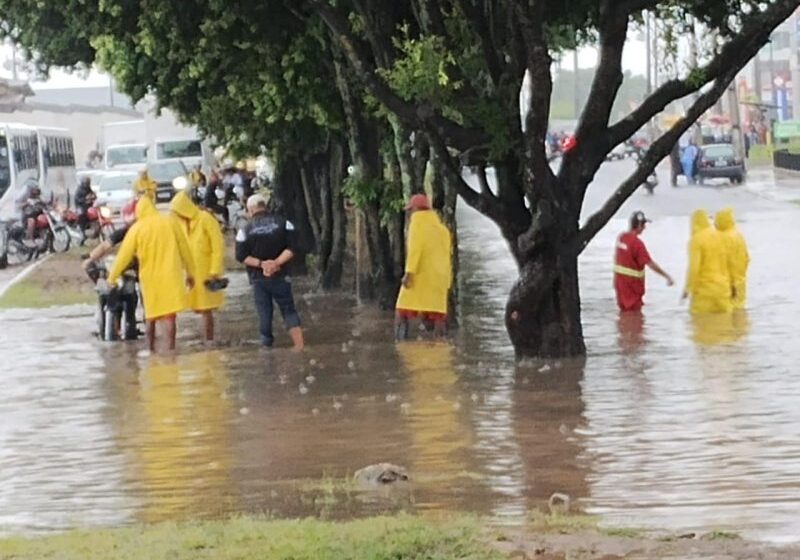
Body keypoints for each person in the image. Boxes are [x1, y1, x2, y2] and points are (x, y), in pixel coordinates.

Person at [108, 196, 195, 352]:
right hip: (171, 276)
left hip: (149, 279)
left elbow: (123, 256)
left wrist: (112, 277)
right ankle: (171, 350)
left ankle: (151, 351)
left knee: (151, 316)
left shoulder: (137, 229)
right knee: (170, 316)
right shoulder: (170, 222)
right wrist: (191, 273)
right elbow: (185, 249)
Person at [235, 193, 304, 350]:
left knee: (264, 312)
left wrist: (262, 264)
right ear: (265, 207)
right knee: (288, 309)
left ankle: (266, 349)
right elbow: (293, 247)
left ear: (251, 210)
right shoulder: (284, 223)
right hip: (281, 275)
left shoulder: (244, 230)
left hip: (258, 278)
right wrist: (276, 263)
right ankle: (299, 346)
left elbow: (241, 256)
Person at [394, 194, 453, 340]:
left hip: (421, 276)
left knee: (401, 310)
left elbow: (416, 250)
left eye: (410, 210)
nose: (409, 213)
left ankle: (400, 344)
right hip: (440, 278)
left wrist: (409, 273)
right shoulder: (442, 229)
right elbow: (447, 255)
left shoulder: (417, 224)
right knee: (438, 315)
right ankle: (441, 347)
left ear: (416, 209)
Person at [170, 191, 226, 342]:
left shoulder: (206, 219)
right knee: (198, 307)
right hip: (192, 272)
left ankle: (209, 340)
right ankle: (206, 339)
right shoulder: (183, 224)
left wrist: (214, 270)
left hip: (207, 271)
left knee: (206, 309)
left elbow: (218, 245)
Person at [83, 199, 140, 339]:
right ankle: (104, 320)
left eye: (134, 222)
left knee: (143, 294)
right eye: (129, 223)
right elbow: (105, 245)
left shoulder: (147, 231)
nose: (131, 226)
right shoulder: (123, 232)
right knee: (95, 272)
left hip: (144, 267)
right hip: (124, 267)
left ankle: (148, 320)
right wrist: (90, 258)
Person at [613, 211, 674, 312]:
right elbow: (650, 264)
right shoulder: (637, 244)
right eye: (644, 225)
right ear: (639, 225)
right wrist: (666, 276)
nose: (645, 228)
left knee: (624, 315)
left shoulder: (621, 238)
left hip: (620, 286)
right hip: (632, 288)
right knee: (635, 318)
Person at [682, 210, 734, 314]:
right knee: (724, 326)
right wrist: (732, 285)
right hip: (723, 290)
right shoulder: (721, 236)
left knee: (700, 326)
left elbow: (694, 268)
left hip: (704, 292)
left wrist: (687, 289)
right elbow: (730, 263)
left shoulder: (696, 240)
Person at [714, 207, 749, 310]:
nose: (714, 224)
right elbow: (747, 258)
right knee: (739, 311)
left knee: (727, 316)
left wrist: (732, 283)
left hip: (728, 283)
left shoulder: (723, 237)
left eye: (716, 221)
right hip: (741, 282)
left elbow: (726, 263)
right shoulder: (738, 235)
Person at [15, 179, 44, 244]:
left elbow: (43, 202)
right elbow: (17, 206)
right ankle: (30, 239)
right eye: (35, 188)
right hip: (27, 215)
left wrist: (50, 203)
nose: (36, 190)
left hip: (37, 213)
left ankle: (44, 238)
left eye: (37, 188)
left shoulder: (37, 195)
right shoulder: (23, 196)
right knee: (31, 221)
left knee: (44, 218)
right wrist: (27, 203)